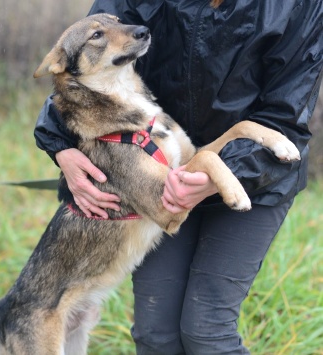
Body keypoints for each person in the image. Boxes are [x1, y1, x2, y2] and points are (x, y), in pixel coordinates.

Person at [34, 1, 323, 354]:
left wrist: (225, 171)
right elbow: (79, 71)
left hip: (255, 176)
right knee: (156, 335)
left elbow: (285, 115)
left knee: (206, 331)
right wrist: (59, 143)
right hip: (160, 174)